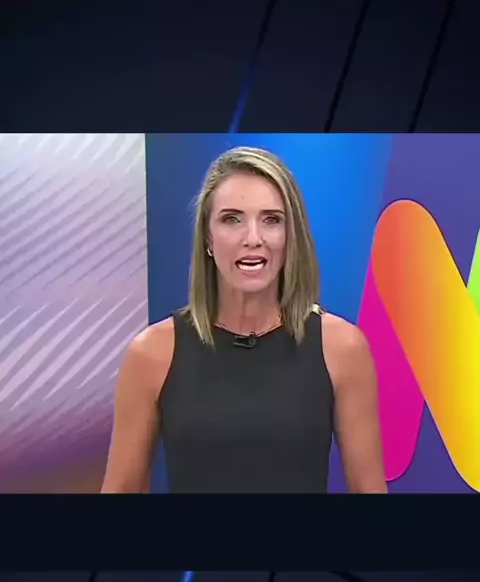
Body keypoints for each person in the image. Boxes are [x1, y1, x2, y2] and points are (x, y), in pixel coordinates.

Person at [102, 146, 387, 494]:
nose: (253, 239)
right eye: (232, 219)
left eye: (271, 220)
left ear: (290, 236)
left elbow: (369, 489)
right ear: (208, 238)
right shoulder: (152, 354)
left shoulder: (341, 348)